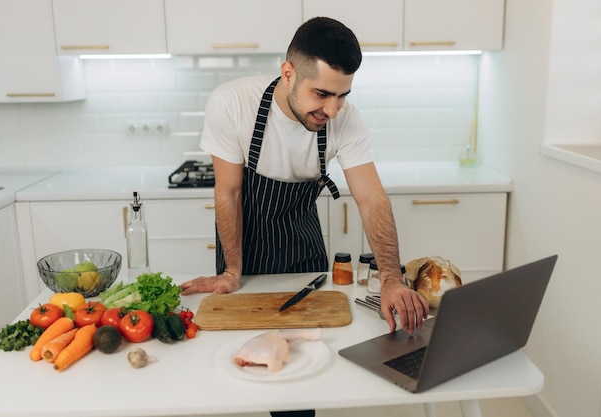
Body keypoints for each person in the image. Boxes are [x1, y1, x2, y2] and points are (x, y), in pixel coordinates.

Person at [180, 17, 429, 416]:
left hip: (303, 250)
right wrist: (230, 271)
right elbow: (229, 193)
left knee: (299, 385)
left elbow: (372, 199)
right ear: (288, 73)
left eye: (343, 95)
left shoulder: (345, 119)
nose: (332, 109)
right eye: (322, 94)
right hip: (242, 255)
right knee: (232, 376)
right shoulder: (233, 104)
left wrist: (392, 279)